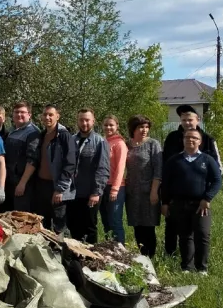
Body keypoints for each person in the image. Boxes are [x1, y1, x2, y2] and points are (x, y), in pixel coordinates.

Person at [160, 128, 223, 274]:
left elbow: (217, 180)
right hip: (179, 204)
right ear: (183, 140)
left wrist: (207, 198)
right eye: (187, 137)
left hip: (201, 205)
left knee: (202, 235)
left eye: (194, 138)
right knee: (184, 236)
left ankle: (202, 268)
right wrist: (165, 203)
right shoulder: (174, 160)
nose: (190, 140)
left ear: (200, 142)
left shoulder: (207, 160)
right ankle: (186, 267)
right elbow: (166, 184)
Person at [18, 104, 75, 234]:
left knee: (59, 227)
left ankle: (61, 252)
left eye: (51, 115)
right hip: (42, 185)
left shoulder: (64, 136)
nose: (47, 117)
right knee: (43, 224)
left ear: (57, 116)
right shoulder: (41, 135)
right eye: (45, 115)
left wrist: (60, 189)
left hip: (57, 186)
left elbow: (70, 163)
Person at [66, 109, 110, 244]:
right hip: (73, 192)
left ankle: (91, 259)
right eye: (81, 120)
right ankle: (76, 257)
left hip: (90, 192)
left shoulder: (99, 141)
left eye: (87, 120)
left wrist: (96, 192)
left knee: (89, 227)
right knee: (73, 225)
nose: (84, 123)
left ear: (93, 121)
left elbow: (103, 169)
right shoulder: (72, 140)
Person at [124, 115, 162, 256]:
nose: (144, 130)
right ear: (133, 128)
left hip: (148, 192)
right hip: (132, 193)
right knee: (137, 226)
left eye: (146, 127)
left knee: (148, 226)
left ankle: (150, 257)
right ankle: (142, 256)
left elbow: (158, 170)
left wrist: (154, 191)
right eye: (141, 127)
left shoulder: (153, 144)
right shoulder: (127, 144)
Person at [4, 101, 40, 212]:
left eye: (22, 112)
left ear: (29, 115)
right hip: (10, 182)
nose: (19, 115)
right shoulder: (11, 131)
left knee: (21, 218)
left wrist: (22, 183)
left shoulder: (33, 133)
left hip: (23, 184)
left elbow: (32, 161)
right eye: (16, 112)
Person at [100, 115, 127, 244]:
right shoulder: (103, 141)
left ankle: (120, 251)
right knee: (106, 222)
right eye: (106, 125)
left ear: (117, 126)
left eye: (111, 125)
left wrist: (115, 189)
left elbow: (121, 168)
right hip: (102, 187)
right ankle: (109, 249)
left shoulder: (120, 144)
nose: (108, 127)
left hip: (115, 188)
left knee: (115, 221)